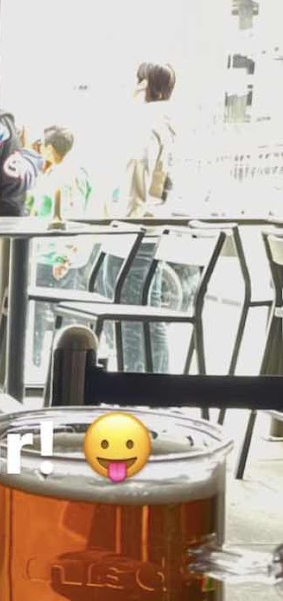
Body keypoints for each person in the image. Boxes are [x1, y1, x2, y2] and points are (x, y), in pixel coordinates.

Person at [102, 61, 180, 371]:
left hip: (135, 231)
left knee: (130, 314)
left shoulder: (146, 122)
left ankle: (133, 385)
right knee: (149, 312)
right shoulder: (170, 123)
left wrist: (125, 221)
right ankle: (157, 385)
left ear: (144, 84)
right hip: (155, 228)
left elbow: (138, 169)